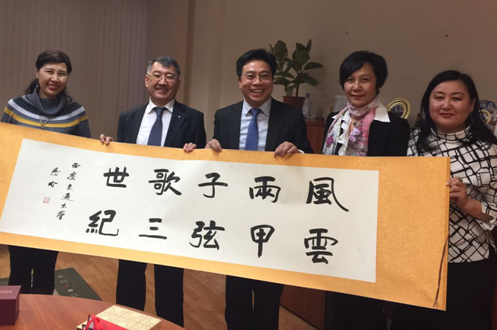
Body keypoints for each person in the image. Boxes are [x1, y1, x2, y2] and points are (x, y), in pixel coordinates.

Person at [0, 49, 91, 294]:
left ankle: (41, 311)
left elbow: (87, 155)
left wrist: (105, 146)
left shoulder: (76, 112)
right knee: (18, 265)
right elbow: (0, 147)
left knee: (46, 266)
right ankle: (17, 312)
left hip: (53, 203)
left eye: (62, 73)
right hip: (18, 201)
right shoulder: (15, 106)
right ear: (37, 72)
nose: (55, 78)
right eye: (49, 71)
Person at [205, 48, 313, 330]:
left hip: (274, 219)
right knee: (236, 297)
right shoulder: (224, 116)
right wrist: (210, 150)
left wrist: (298, 151)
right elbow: (218, 161)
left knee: (268, 298)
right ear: (239, 81)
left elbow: (311, 157)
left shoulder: (291, 116)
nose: (257, 82)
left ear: (272, 80)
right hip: (235, 218)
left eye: (264, 76)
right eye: (250, 76)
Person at [104, 56, 206, 327]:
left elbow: (200, 168)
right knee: (129, 278)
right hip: (134, 211)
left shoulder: (193, 118)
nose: (163, 82)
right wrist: (109, 148)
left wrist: (196, 153)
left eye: (170, 76)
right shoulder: (128, 117)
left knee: (169, 284)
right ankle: (127, 325)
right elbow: (123, 162)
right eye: (157, 75)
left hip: (172, 214)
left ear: (178, 83)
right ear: (147, 80)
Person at [392, 71, 497, 330]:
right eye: (438, 97)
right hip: (416, 260)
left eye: (456, 98)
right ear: (428, 101)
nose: (446, 104)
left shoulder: (490, 150)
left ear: (471, 104)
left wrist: (467, 203)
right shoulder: (411, 141)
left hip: (468, 261)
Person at [322, 51, 410, 330]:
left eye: (365, 79)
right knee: (338, 298)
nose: (356, 87)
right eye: (350, 79)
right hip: (336, 222)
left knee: (367, 304)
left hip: (372, 226)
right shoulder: (333, 120)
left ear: (378, 83)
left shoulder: (395, 126)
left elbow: (394, 180)